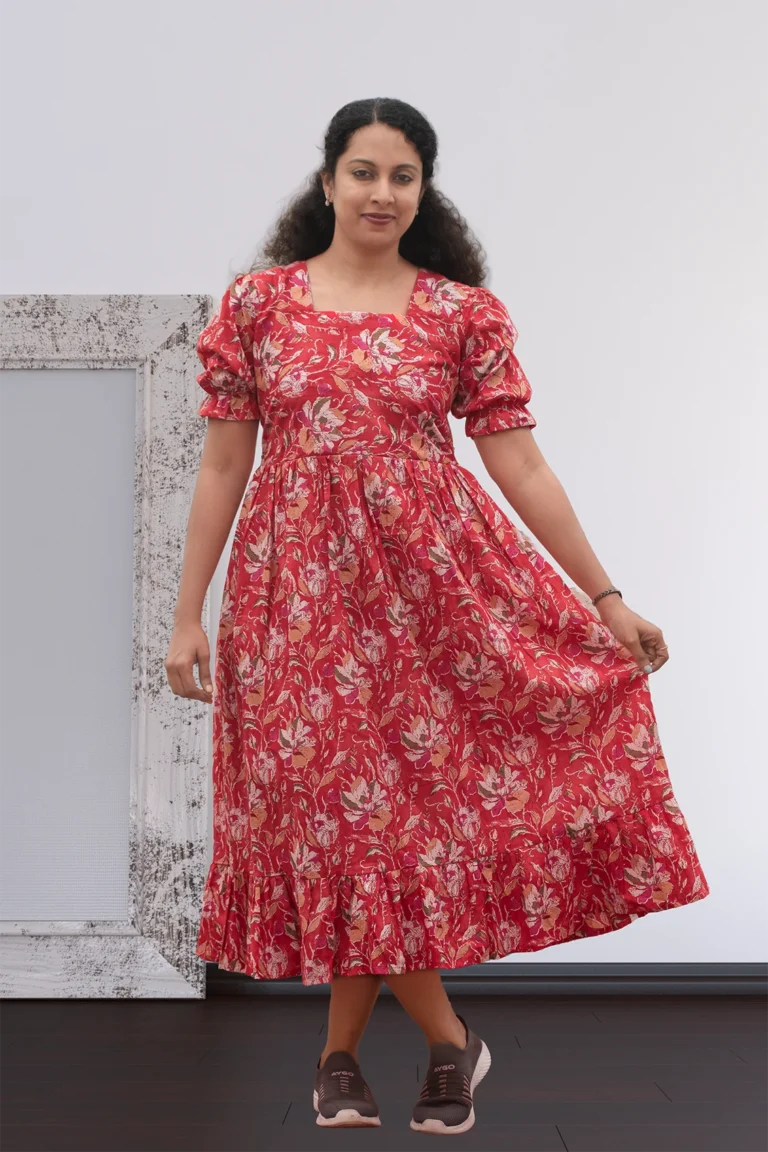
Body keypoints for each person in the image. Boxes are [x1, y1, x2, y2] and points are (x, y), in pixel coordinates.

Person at [165, 97, 710, 1135]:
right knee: (341, 815)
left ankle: (340, 1057)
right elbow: (225, 464)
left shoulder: (461, 314)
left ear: (424, 189)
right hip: (296, 602)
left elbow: (521, 463)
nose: (382, 193)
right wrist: (188, 612)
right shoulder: (258, 306)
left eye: (402, 175)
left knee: (387, 822)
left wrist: (605, 597)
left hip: (432, 600)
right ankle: (446, 1039)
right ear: (327, 181)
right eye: (363, 172)